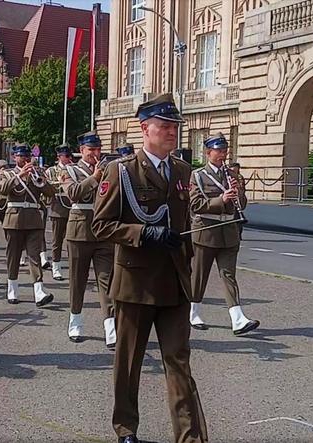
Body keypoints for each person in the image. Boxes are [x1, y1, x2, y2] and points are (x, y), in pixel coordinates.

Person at [92, 93, 208, 443]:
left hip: (174, 282)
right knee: (129, 364)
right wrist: (146, 232)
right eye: (165, 126)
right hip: (136, 283)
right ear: (145, 128)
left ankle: (189, 436)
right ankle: (126, 428)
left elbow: (186, 217)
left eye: (175, 126)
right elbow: (101, 225)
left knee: (179, 362)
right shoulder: (121, 171)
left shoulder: (184, 171)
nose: (173, 132)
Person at [189, 133, 258, 335]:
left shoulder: (233, 175)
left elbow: (242, 205)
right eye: (218, 151)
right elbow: (195, 205)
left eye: (224, 150)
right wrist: (221, 199)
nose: (223, 154)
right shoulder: (198, 175)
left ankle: (238, 319)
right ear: (208, 152)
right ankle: (193, 312)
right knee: (199, 276)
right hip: (206, 232)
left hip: (229, 231)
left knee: (229, 276)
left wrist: (238, 194)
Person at [61, 132, 116, 348]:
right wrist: (94, 178)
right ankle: (75, 321)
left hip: (103, 231)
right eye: (90, 150)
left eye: (97, 149)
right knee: (77, 280)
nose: (95, 153)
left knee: (107, 281)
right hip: (80, 231)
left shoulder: (108, 170)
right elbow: (73, 193)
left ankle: (110, 327)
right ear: (81, 150)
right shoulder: (69, 170)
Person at [0, 144, 55, 306]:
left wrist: (41, 181)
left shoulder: (38, 173)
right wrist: (19, 176)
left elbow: (51, 193)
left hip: (34, 220)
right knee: (13, 256)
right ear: (14, 157)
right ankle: (12, 289)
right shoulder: (7, 173)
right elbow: (2, 189)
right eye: (21, 156)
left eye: (27, 156)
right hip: (14, 220)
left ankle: (39, 292)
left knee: (34, 256)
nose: (25, 159)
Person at [45, 144, 73, 280]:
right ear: (59, 157)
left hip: (72, 206)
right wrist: (59, 182)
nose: (69, 158)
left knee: (72, 240)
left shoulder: (74, 169)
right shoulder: (51, 170)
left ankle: (73, 266)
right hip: (57, 206)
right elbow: (46, 186)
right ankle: (56, 267)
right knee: (57, 240)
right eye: (66, 156)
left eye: (69, 156)